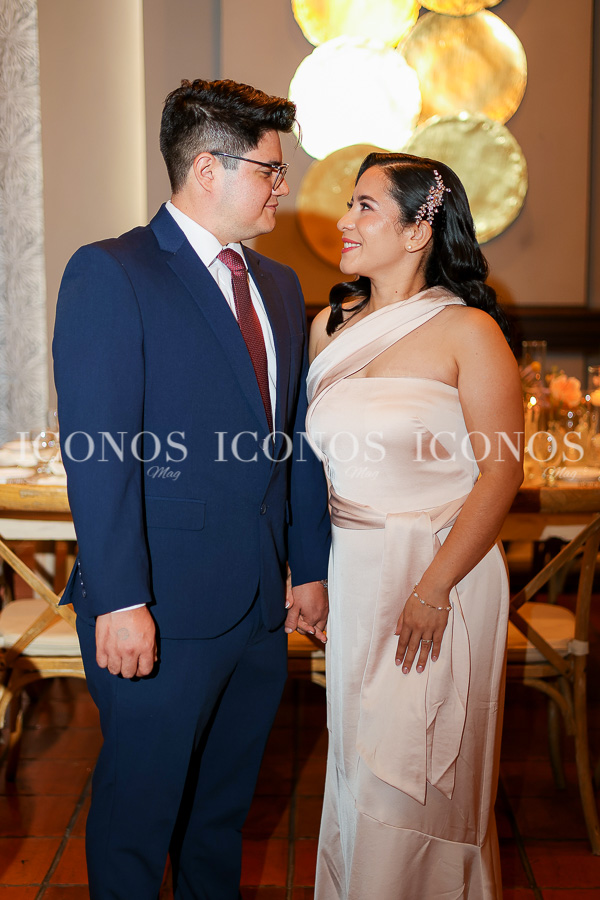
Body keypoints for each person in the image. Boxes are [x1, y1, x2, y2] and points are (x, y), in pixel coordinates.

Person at [52, 78, 330, 900]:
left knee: (220, 820)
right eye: (270, 169)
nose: (283, 185)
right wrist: (120, 599)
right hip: (159, 607)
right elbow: (97, 455)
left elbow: (295, 443)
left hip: (258, 607)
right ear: (208, 169)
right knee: (138, 822)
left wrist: (308, 567)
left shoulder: (281, 286)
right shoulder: (112, 272)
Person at [306, 152, 523, 899]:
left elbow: (501, 474)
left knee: (419, 779)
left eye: (364, 206)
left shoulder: (469, 332)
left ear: (417, 230)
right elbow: (313, 467)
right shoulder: (329, 328)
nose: (344, 221)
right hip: (354, 571)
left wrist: (432, 588)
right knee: (357, 768)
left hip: (442, 573)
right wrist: (310, 573)